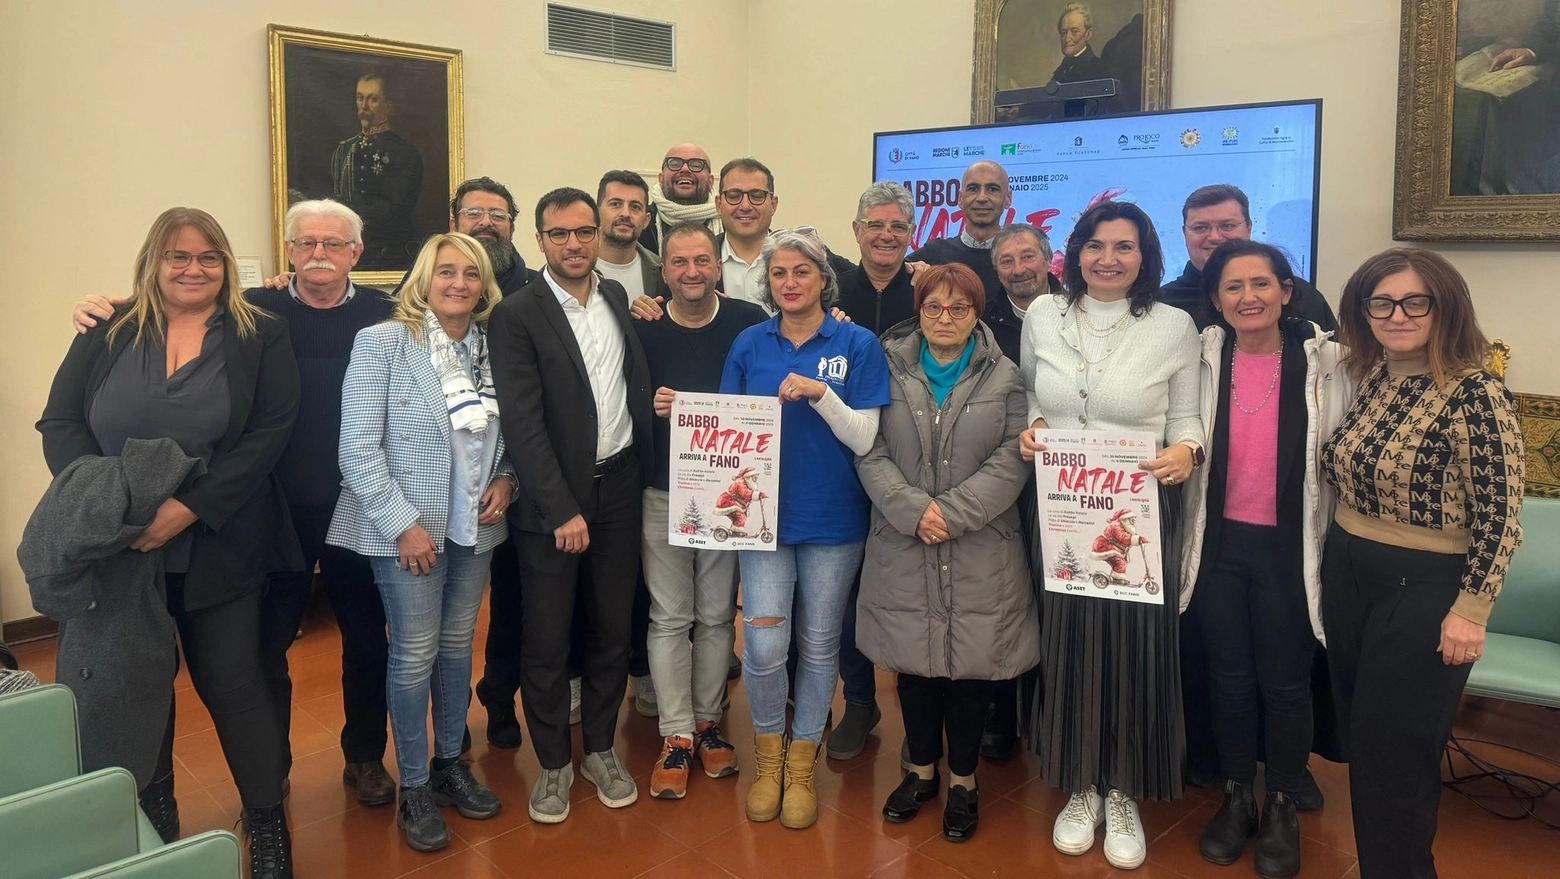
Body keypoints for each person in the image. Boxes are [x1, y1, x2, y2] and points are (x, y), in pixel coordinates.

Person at [69, 200, 402, 805]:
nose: (319, 255)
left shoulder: (393, 313)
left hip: (365, 501)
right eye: (306, 244)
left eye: (334, 244)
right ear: (289, 253)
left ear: (358, 253)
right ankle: (269, 773)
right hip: (280, 507)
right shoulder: (261, 311)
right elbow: (176, 303)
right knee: (265, 649)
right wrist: (103, 306)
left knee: (367, 637)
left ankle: (364, 757)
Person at [38, 207, 302, 879]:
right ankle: (156, 817)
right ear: (153, 261)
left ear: (225, 265)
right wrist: (106, 500)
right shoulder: (107, 330)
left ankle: (267, 822)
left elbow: (268, 435)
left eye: (209, 257)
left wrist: (188, 508)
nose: (193, 269)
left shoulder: (260, 335)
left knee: (234, 684)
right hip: (118, 547)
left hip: (219, 540)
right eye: (177, 256)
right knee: (136, 685)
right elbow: (62, 420)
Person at [1321, 248, 1524, 879]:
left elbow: (1501, 518)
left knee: (1397, 757)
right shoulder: (1376, 375)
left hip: (1424, 588)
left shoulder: (1477, 393)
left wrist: (1471, 612)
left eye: (1415, 301)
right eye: (1380, 302)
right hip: (1351, 571)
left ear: (1446, 306)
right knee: (1365, 741)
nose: (1397, 314)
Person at [1018, 200, 1204, 871]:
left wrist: (1188, 449)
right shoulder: (1043, 314)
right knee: (1068, 645)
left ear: (1144, 256)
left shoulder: (1175, 325)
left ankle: (1123, 790)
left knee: (1134, 651)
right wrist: (1033, 427)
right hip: (1063, 506)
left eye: (1124, 247)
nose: (1108, 258)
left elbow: (1189, 418)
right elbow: (1034, 396)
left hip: (1138, 511)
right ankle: (1081, 785)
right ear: (1075, 252)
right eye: (1095, 245)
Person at [326, 232, 512, 852]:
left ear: (484, 285)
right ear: (423, 279)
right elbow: (357, 446)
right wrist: (399, 522)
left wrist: (508, 479)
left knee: (458, 649)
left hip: (475, 525)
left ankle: (450, 763)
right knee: (413, 655)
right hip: (406, 528)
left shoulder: (493, 346)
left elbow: (508, 433)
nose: (459, 283)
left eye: (471, 274)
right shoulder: (382, 341)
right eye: (446, 272)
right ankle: (413, 786)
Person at [1179, 239, 1354, 879]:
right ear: (1216, 299)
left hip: (1290, 548)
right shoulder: (1200, 356)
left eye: (1261, 284)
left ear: (1286, 291)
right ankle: (1235, 797)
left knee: (1284, 683)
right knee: (1227, 678)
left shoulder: (1332, 360)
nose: (1247, 297)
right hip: (1219, 545)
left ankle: (1280, 799)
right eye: (1233, 287)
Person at [488, 187, 654, 824]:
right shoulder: (518, 313)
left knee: (614, 630)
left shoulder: (615, 296)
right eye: (560, 235)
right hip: (554, 501)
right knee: (549, 640)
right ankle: (554, 762)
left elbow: (624, 385)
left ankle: (602, 750)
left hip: (620, 488)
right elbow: (523, 423)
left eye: (584, 232)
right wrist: (560, 509)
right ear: (540, 241)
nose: (576, 244)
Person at [856, 262, 1038, 843]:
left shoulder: (1006, 376)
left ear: (977, 313)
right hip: (903, 539)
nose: (945, 318)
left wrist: (950, 514)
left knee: (969, 672)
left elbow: (1015, 456)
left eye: (959, 308)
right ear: (919, 310)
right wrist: (912, 510)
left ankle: (963, 780)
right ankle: (920, 772)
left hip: (980, 545)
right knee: (914, 668)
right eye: (933, 306)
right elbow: (869, 447)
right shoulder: (884, 367)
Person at [719, 229, 892, 830]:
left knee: (819, 646)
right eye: (779, 274)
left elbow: (867, 438)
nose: (789, 283)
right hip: (760, 520)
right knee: (765, 647)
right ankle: (768, 758)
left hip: (833, 517)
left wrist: (822, 394)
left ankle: (800, 764)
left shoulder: (858, 342)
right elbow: (725, 429)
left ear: (823, 279)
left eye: (801, 272)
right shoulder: (748, 342)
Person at [636, 222, 769, 800]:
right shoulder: (642, 325)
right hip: (661, 491)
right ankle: (675, 735)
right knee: (669, 616)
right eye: (679, 262)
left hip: (726, 496)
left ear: (718, 267)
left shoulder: (748, 323)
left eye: (702, 261)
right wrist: (650, 403)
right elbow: (615, 399)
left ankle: (710, 724)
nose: (692, 271)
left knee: (716, 616)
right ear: (663, 273)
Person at [1157, 185, 1336, 333]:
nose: (1214, 237)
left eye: (1227, 226)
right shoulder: (1161, 305)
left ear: (1249, 228)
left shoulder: (1300, 296)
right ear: (1184, 234)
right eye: (1200, 228)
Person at [331, 72, 424, 269]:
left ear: (388, 106)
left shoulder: (404, 153)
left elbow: (394, 209)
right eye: (360, 98)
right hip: (351, 248)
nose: (364, 106)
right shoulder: (346, 149)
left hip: (388, 251)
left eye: (372, 99)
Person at [907, 161, 1012, 301]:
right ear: (960, 198)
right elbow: (886, 272)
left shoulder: (1018, 259)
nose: (981, 198)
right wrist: (909, 268)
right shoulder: (935, 253)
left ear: (1008, 199)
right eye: (973, 189)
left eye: (992, 189)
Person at [836, 182, 918, 335]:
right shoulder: (831, 295)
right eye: (875, 225)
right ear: (857, 230)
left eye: (898, 227)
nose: (887, 236)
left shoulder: (928, 295)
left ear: (911, 233)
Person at [987, 222, 1060, 363]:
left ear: (1049, 261)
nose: (1019, 270)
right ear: (997, 272)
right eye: (1007, 261)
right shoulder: (983, 325)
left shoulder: (1079, 312)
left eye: (1028, 257)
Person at [715, 158, 783, 308]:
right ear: (719, 205)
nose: (745, 206)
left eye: (757, 195)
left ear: (773, 205)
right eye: (734, 195)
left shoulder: (804, 256)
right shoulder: (695, 262)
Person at [596, 170, 669, 303]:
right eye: (615, 204)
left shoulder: (661, 272)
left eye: (635, 207)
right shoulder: (576, 267)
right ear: (597, 213)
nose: (625, 213)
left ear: (646, 220)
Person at [640, 143, 723, 254]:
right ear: (661, 179)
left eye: (696, 165)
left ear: (711, 181)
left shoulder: (729, 225)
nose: (685, 169)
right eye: (674, 164)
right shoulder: (641, 225)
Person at [1051, 3, 1106, 83]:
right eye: (1064, 32)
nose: (1067, 39)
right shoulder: (1060, 72)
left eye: (1074, 32)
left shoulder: (1100, 72)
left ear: (1088, 34)